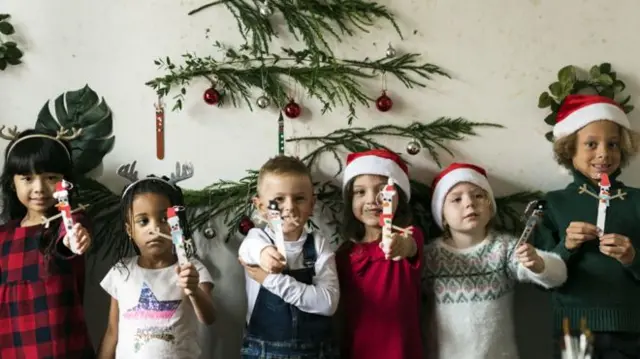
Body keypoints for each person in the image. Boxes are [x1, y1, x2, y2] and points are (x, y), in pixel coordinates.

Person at [532, 94, 640, 358]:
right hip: (573, 330)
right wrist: (565, 247)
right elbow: (539, 278)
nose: (604, 153)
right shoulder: (554, 204)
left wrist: (632, 258)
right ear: (570, 149)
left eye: (612, 144)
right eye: (591, 144)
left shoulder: (637, 201)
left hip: (631, 330)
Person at [426, 162, 567, 359]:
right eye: (456, 199)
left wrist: (538, 264)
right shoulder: (430, 256)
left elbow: (558, 275)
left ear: (490, 206)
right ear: (441, 214)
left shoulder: (504, 248)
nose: (469, 203)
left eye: (478, 196)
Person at [97, 163, 215, 359]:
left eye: (164, 219)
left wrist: (193, 291)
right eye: (143, 221)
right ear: (129, 230)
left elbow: (209, 318)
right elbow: (112, 331)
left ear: (176, 225)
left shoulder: (191, 268)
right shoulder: (121, 271)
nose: (155, 229)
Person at [0, 127, 94, 358]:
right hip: (11, 347)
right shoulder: (3, 235)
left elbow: (67, 240)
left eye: (51, 178)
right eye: (27, 178)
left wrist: (72, 241)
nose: (39, 188)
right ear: (13, 184)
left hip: (62, 348)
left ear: (65, 183)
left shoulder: (71, 221)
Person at [237, 155, 339, 359]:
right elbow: (248, 251)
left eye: (299, 198)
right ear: (260, 206)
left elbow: (327, 303)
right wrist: (265, 253)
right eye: (278, 200)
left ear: (311, 204)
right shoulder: (257, 239)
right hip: (263, 351)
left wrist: (270, 280)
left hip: (316, 352)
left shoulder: (319, 245)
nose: (290, 207)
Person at [336, 149, 424, 359]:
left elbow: (410, 245)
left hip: (401, 351)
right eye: (360, 192)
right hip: (358, 351)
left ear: (398, 197)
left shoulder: (409, 235)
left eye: (382, 191)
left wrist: (400, 246)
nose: (372, 200)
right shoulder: (344, 255)